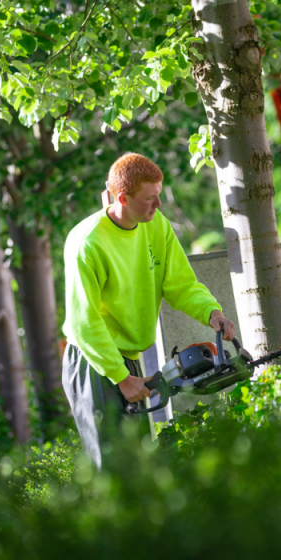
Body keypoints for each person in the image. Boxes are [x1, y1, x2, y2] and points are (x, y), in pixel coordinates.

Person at [62, 153, 237, 467]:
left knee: (139, 465)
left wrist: (212, 313)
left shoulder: (157, 227)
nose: (158, 205)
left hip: (126, 360)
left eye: (159, 196)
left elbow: (181, 284)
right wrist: (119, 377)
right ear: (123, 198)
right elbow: (83, 322)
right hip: (94, 362)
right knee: (113, 468)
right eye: (150, 199)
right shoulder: (87, 243)